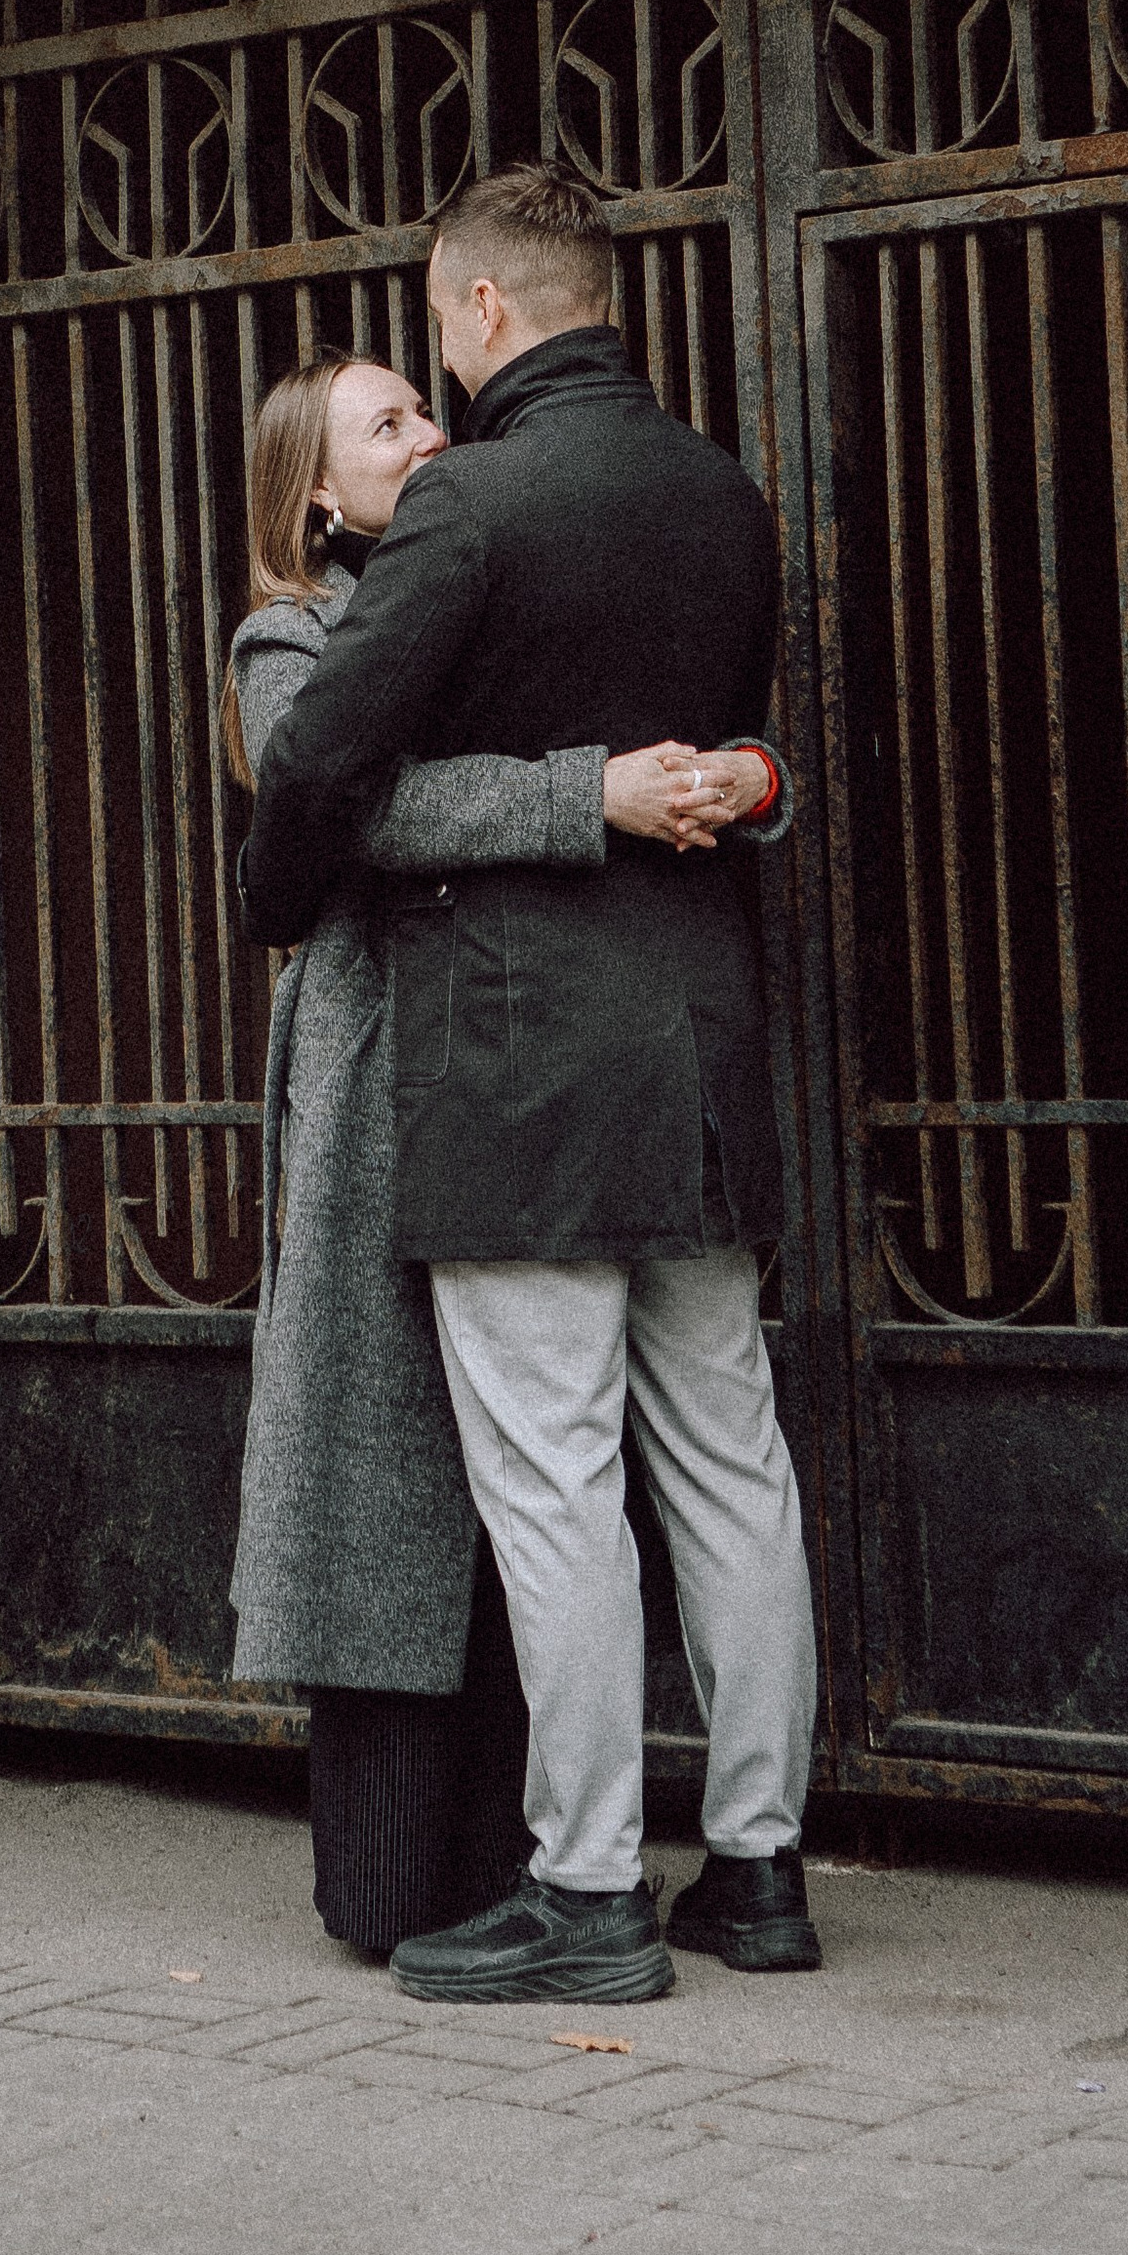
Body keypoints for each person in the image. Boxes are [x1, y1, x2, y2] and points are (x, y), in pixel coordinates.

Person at [241, 166, 820, 2006]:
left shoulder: (473, 502)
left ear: (485, 309)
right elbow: (732, 743)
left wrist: (279, 899)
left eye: (435, 331)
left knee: (558, 1479)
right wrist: (735, 784)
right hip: (703, 1042)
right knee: (730, 1459)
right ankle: (762, 1871)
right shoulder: (722, 492)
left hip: (517, 1062)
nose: (437, 376)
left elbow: (319, 762)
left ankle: (587, 1897)